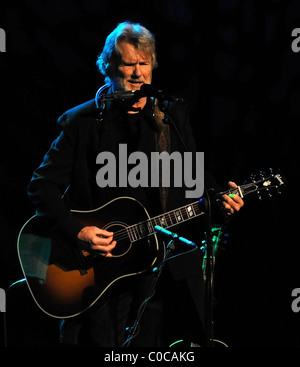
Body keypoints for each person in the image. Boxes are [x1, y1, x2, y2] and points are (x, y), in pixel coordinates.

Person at [27, 22, 244, 347]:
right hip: (103, 268)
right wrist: (77, 231)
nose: (138, 73)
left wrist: (222, 204)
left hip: (168, 261)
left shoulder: (170, 117)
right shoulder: (82, 122)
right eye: (129, 64)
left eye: (144, 64)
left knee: (198, 339)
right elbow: (41, 186)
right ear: (108, 67)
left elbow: (193, 179)